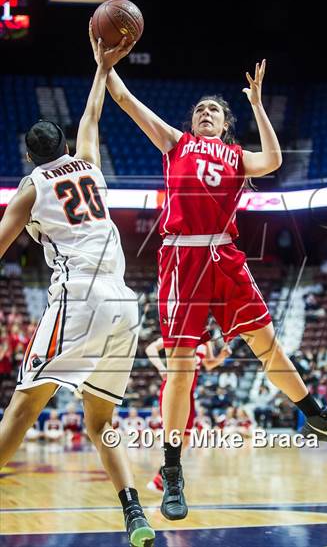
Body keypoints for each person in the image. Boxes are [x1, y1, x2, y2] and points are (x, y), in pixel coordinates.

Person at [96, 47, 327, 521]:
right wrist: (105, 60)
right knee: (181, 369)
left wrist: (258, 104)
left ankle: (318, 417)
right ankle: (173, 473)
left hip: (226, 255)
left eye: (213, 110)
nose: (204, 113)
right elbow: (124, 99)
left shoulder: (238, 156)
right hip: (182, 258)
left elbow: (275, 160)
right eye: (199, 109)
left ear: (224, 125)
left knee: (270, 347)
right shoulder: (174, 141)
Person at [0, 27, 155, 546]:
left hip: (80, 302)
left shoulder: (31, 186)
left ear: (29, 158)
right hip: (123, 305)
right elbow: (92, 115)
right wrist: (101, 65)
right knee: (100, 419)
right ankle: (134, 511)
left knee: (23, 407)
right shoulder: (89, 165)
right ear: (65, 147)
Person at [145, 336, 230, 492]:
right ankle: (165, 479)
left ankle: (161, 477)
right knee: (173, 435)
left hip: (189, 393)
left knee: (186, 439)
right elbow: (151, 348)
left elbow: (209, 364)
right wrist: (161, 368)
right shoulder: (181, 331)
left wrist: (222, 357)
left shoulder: (207, 339)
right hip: (173, 388)